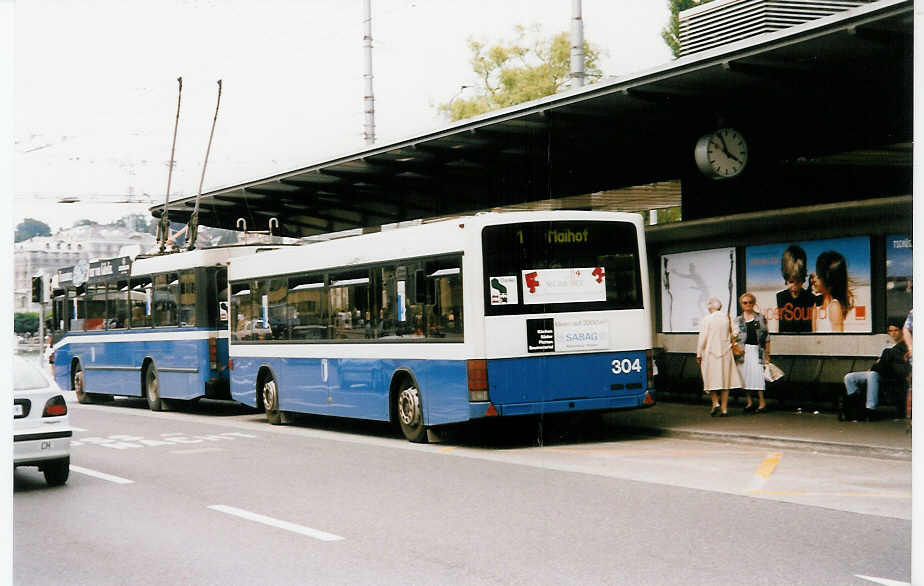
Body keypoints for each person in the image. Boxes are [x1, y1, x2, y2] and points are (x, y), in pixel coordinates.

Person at [841, 320, 909, 420]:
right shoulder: (889, 346)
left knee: (872, 374)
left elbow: (885, 364)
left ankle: (870, 409)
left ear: (901, 331)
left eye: (896, 330)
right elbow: (881, 363)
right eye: (890, 331)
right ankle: (856, 406)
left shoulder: (904, 346)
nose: (893, 333)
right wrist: (876, 366)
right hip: (879, 372)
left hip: (890, 376)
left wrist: (875, 366)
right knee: (849, 377)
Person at [697, 297, 743, 417]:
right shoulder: (727, 318)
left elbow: (702, 339)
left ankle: (715, 402)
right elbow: (736, 332)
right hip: (725, 353)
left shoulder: (706, 319)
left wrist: (698, 354)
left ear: (710, 307)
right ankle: (724, 409)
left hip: (710, 353)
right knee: (725, 381)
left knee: (710, 378)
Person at [735, 292, 771, 414]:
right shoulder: (738, 320)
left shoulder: (760, 318)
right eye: (745, 302)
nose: (748, 305)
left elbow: (766, 337)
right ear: (741, 304)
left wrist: (767, 355)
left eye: (750, 302)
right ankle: (749, 402)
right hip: (743, 352)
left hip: (757, 350)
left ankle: (762, 403)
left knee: (758, 376)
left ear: (754, 303)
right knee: (745, 377)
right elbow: (734, 337)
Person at [775, 245, 819, 332]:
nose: (794, 285)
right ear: (786, 279)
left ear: (802, 279)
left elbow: (814, 328)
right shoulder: (780, 297)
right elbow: (778, 325)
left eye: (798, 281)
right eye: (791, 281)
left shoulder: (811, 298)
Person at [812, 250, 852, 332]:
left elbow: (837, 340)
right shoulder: (816, 306)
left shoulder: (834, 307)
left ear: (829, 281)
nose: (814, 280)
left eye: (819, 276)